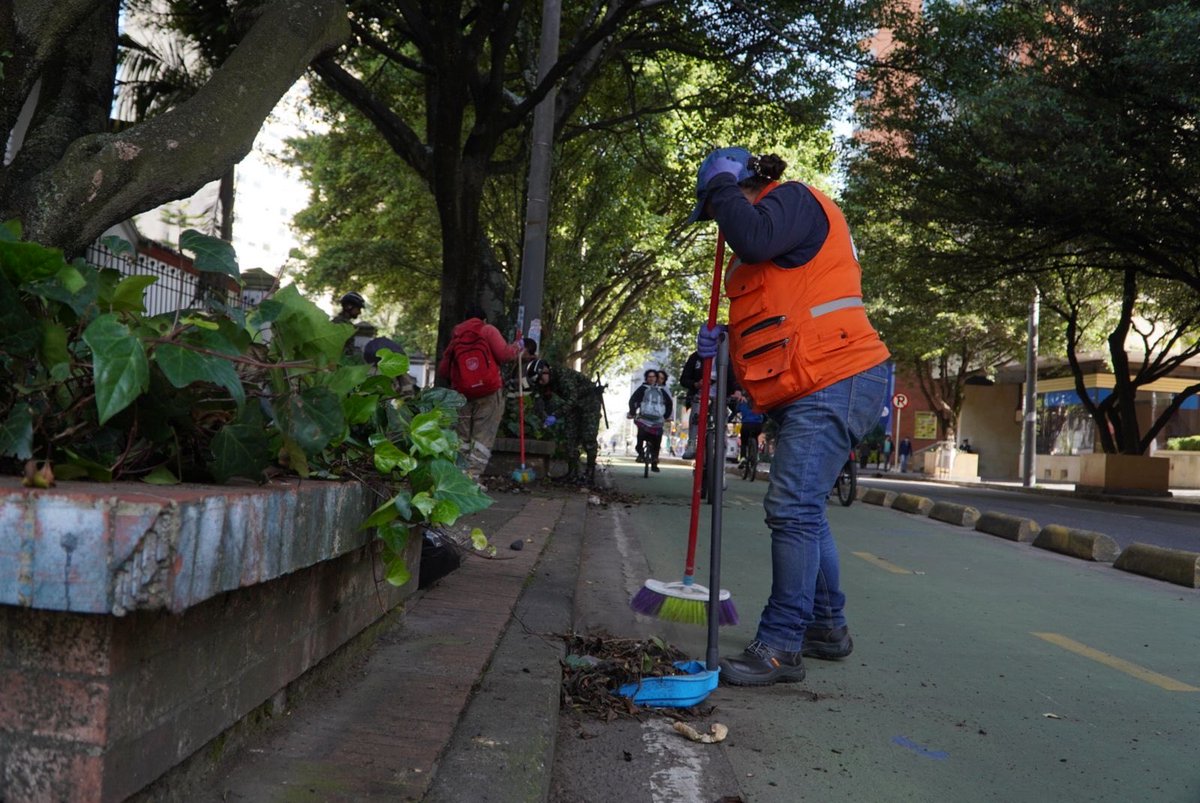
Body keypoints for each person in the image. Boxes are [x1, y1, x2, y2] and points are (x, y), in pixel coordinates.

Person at [689, 147, 890, 686]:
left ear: (742, 186)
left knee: (793, 509)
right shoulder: (765, 245)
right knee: (805, 511)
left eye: (718, 208)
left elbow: (751, 234)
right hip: (812, 381)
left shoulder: (795, 202)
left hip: (839, 375)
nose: (720, 225)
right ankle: (825, 627)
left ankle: (781, 646)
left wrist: (723, 188)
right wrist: (722, 346)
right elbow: (779, 318)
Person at [436, 305, 521, 486]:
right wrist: (517, 347)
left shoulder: (457, 335)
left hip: (462, 394)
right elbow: (505, 355)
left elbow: (444, 369)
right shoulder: (487, 330)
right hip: (489, 392)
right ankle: (472, 479)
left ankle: (458, 477)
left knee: (462, 437)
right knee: (483, 437)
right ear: (484, 319)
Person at [527, 358, 603, 484]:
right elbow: (539, 399)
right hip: (573, 406)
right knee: (569, 437)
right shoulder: (543, 382)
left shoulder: (563, 376)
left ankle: (590, 474)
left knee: (588, 437)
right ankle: (572, 473)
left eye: (541, 379)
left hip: (589, 403)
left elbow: (571, 399)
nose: (541, 383)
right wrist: (543, 415)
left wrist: (556, 415)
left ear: (546, 371)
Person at [628, 369, 673, 472]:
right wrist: (633, 412)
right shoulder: (642, 389)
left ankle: (654, 462)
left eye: (653, 377)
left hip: (657, 421)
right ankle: (641, 453)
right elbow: (633, 400)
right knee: (640, 436)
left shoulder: (662, 390)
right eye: (649, 376)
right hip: (643, 419)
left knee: (658, 439)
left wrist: (666, 416)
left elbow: (669, 403)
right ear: (646, 378)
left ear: (656, 378)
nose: (651, 378)